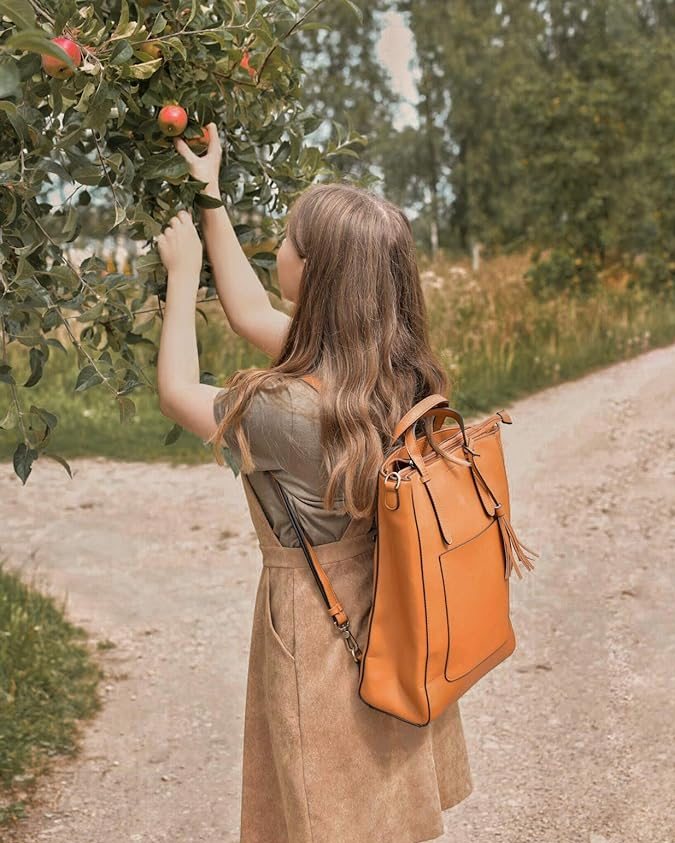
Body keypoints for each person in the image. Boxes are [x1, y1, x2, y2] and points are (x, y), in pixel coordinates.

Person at [156, 123, 473, 843]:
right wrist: (209, 195)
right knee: (376, 787)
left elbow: (176, 391)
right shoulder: (393, 372)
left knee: (320, 795)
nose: (279, 249)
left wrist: (180, 275)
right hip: (389, 603)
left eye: (288, 241)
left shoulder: (284, 410)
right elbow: (249, 313)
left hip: (318, 617)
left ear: (315, 273)